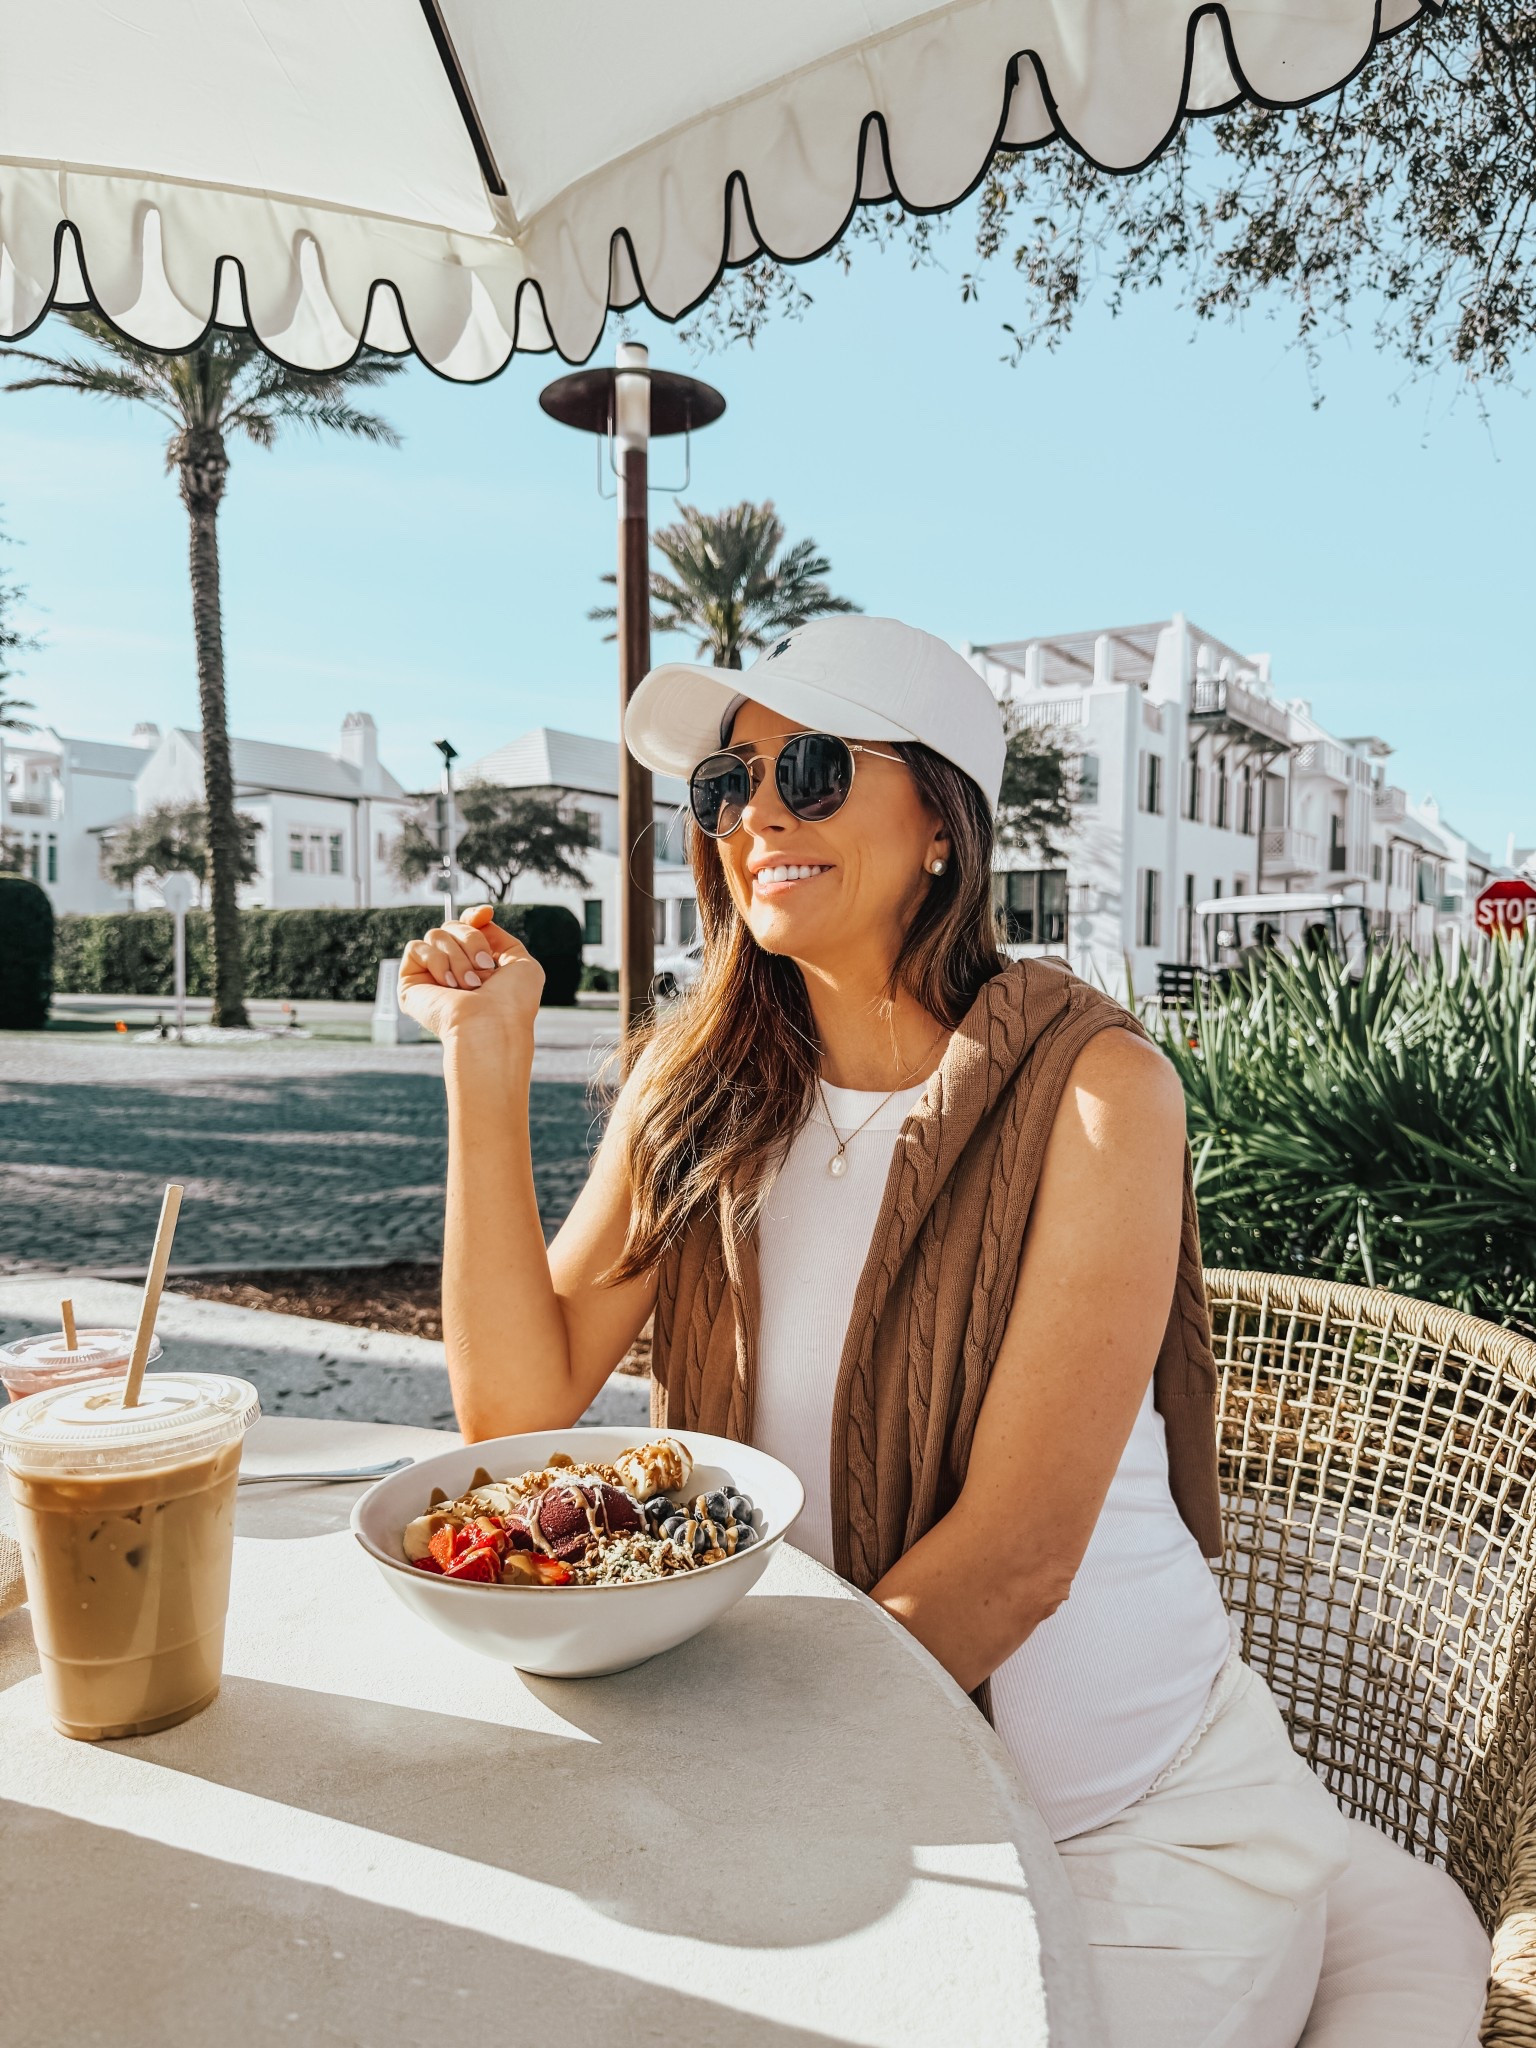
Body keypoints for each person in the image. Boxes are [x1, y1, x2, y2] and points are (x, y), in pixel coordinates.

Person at [399, 617, 1357, 2046]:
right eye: (728, 785)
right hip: (846, 1796)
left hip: (1133, 1829)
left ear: (943, 828)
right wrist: (484, 1069)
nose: (759, 816)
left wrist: (740, 1776)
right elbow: (513, 1410)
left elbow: (1015, 1561)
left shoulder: (1098, 1093)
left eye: (815, 769)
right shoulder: (699, 1090)